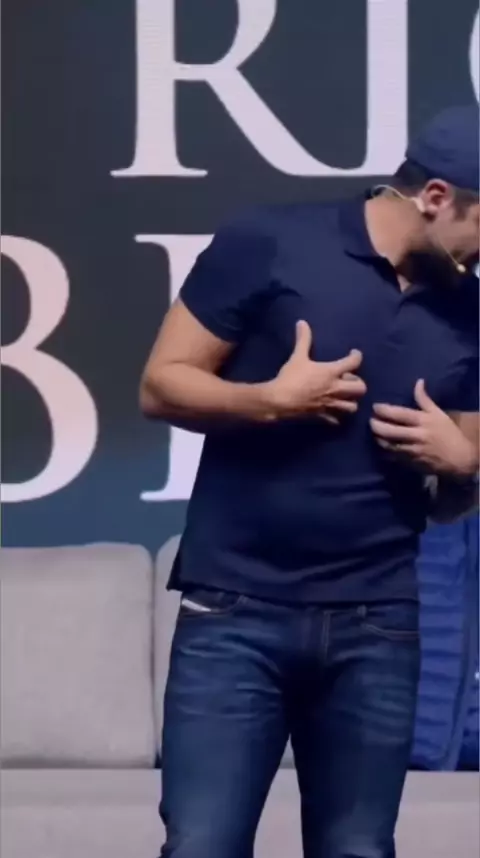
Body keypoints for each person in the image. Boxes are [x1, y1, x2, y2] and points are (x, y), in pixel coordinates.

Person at [140, 106, 479, 858]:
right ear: (436, 198)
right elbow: (160, 385)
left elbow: (457, 493)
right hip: (235, 613)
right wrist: (268, 400)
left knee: (359, 849)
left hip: (378, 624)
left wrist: (462, 466)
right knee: (201, 846)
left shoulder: (470, 311)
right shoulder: (269, 240)